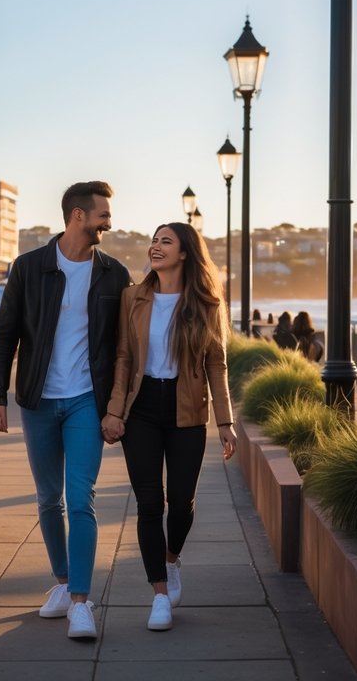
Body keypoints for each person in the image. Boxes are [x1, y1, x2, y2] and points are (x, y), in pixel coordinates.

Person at [0, 181, 131, 639]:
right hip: (38, 401)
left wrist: (117, 406)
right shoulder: (30, 268)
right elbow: (6, 334)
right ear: (77, 217)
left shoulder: (114, 274)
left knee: (80, 499)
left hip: (88, 401)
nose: (108, 221)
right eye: (102, 215)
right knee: (48, 499)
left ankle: (81, 603)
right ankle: (63, 581)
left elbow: (126, 345)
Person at [101, 222, 236, 632]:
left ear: (184, 253)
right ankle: (159, 595)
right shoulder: (132, 297)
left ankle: (172, 558)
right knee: (147, 504)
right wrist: (114, 410)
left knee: (181, 503)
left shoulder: (206, 304)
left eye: (165, 241)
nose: (155, 247)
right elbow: (123, 357)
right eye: (154, 240)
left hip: (187, 411)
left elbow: (216, 364)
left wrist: (225, 422)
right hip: (141, 408)